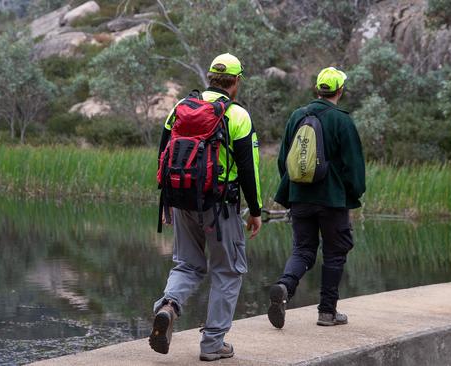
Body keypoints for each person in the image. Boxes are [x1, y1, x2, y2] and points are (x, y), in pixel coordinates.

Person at [150, 53, 263, 362]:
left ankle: (168, 307)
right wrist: (256, 210)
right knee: (227, 271)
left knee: (187, 264)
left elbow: (163, 155)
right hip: (220, 206)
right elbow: (249, 169)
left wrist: (167, 201)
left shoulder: (180, 108)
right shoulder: (237, 115)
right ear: (236, 81)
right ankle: (213, 344)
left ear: (211, 77)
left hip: (182, 201)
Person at [268, 67, 366, 329]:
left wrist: (293, 192)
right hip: (332, 200)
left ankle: (284, 286)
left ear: (318, 89)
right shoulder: (342, 121)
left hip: (300, 197)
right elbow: (353, 167)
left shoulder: (297, 116)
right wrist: (353, 194)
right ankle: (327, 312)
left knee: (303, 250)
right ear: (340, 91)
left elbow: (283, 160)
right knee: (335, 253)